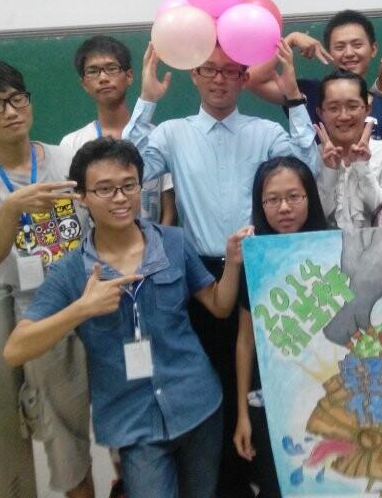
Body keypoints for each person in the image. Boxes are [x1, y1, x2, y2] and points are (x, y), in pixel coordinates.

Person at [123, 39, 318, 498]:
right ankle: (228, 488)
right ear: (193, 74)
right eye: (208, 69)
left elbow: (307, 169)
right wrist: (147, 100)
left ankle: (273, 482)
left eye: (230, 71)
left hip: (264, 268)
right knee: (215, 389)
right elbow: (127, 169)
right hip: (201, 277)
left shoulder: (265, 132)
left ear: (244, 78)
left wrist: (294, 97)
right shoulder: (171, 133)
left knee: (269, 385)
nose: (218, 79)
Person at [3, 137, 250, 498]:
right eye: (105, 189)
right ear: (82, 197)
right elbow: (15, 350)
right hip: (132, 422)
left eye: (128, 185)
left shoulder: (173, 242)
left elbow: (219, 305)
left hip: (197, 405)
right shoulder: (71, 271)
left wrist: (233, 262)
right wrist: (81, 309)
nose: (120, 198)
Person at [0, 59, 92, 498]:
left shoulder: (72, 160)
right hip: (39, 311)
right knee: (65, 443)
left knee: (130, 422)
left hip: (97, 295)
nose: (11, 111)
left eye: (17, 99)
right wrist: (11, 208)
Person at [233, 156, 328, 497]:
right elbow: (245, 342)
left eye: (293, 197)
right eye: (272, 199)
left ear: (310, 197)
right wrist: (243, 414)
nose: (284, 208)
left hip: (326, 395)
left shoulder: (334, 248)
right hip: (274, 398)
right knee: (278, 483)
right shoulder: (255, 258)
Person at [60, 35, 176, 225]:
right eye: (93, 71)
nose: (103, 78)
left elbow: (169, 210)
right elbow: (74, 209)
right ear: (84, 84)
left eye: (112, 68)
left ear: (129, 76)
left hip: (154, 241)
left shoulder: (158, 136)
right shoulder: (71, 143)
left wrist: (155, 243)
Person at [244, 10, 382, 143]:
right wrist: (291, 40)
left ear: (373, 49)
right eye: (339, 47)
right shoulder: (309, 93)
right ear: (329, 52)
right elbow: (252, 79)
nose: (349, 53)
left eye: (357, 45)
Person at [314, 70, 382, 230]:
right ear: (320, 113)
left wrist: (363, 169)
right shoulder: (311, 158)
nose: (344, 116)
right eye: (333, 108)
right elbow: (312, 222)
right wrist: (329, 172)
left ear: (367, 109)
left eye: (352, 106)